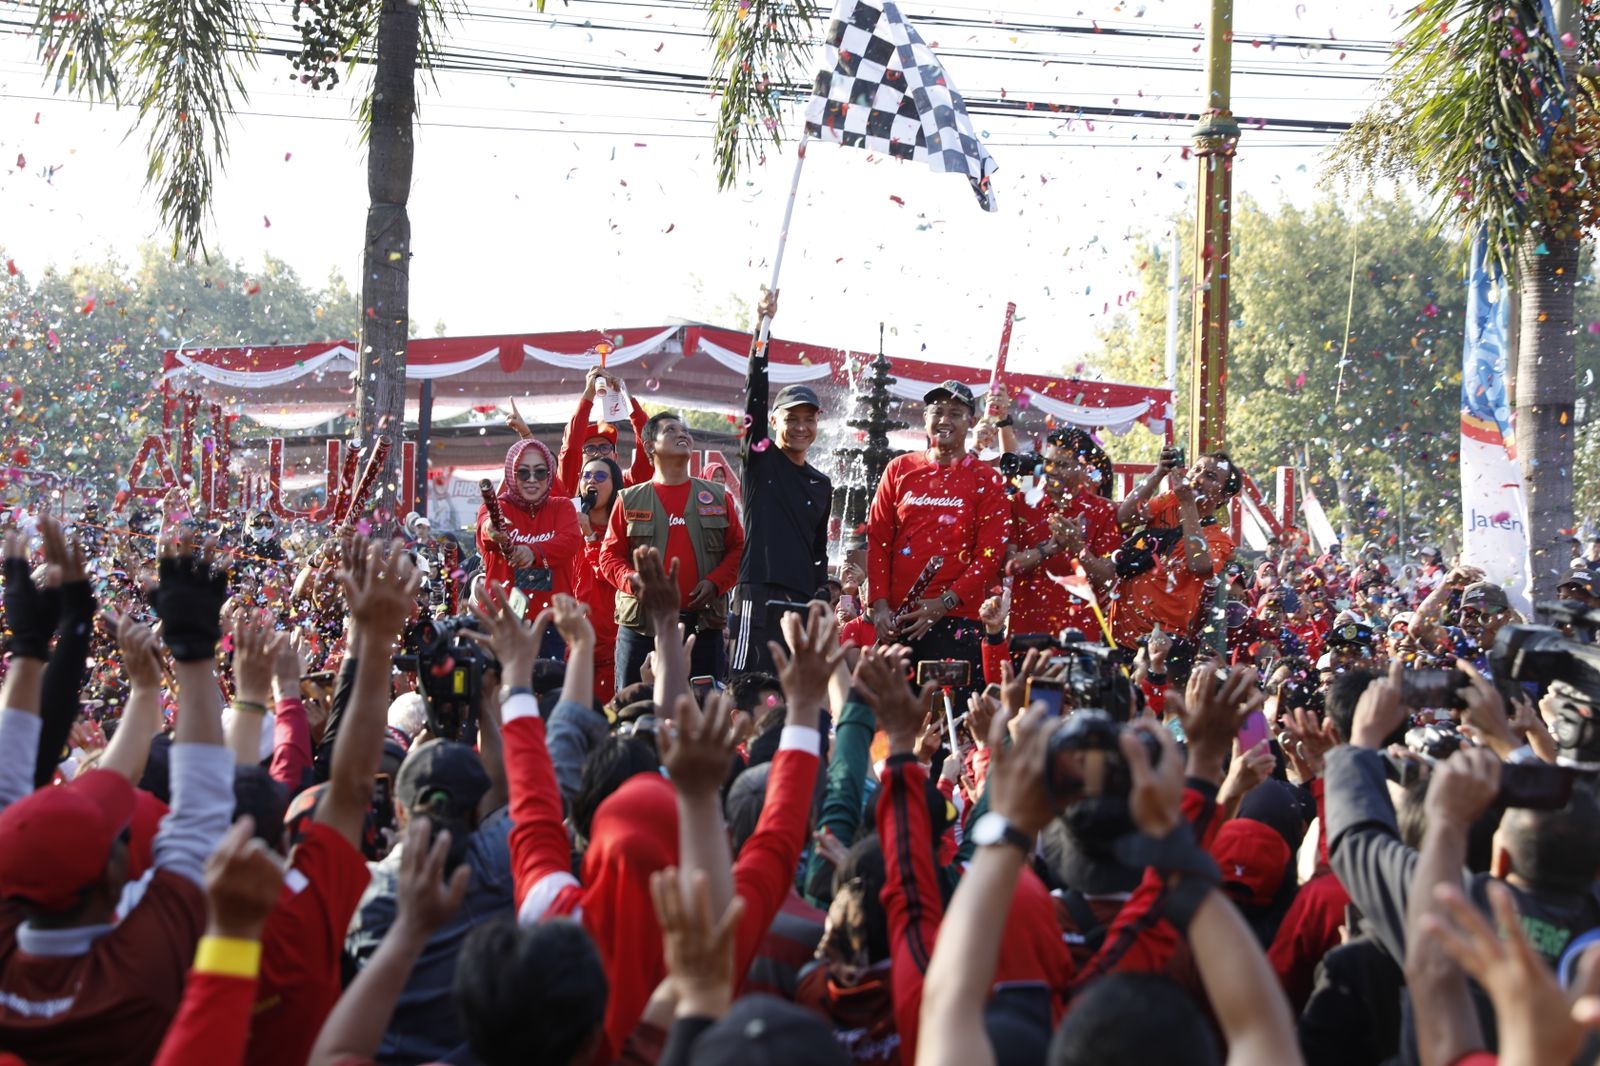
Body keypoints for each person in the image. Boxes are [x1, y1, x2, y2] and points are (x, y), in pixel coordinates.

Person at [0, 523, 236, 1065]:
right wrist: (195, 654)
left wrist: (35, 645)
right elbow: (199, 817)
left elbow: (11, 781)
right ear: (114, 875)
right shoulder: (142, 971)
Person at [866, 380, 1009, 684]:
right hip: (897, 623)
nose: (944, 420)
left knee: (947, 725)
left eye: (955, 413)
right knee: (890, 726)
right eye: (937, 411)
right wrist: (879, 606)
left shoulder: (987, 480)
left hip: (956, 622)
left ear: (970, 421)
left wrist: (944, 602)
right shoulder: (899, 469)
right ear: (925, 418)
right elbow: (878, 540)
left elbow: (990, 555)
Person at [599, 412, 746, 686]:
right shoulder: (629, 500)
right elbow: (609, 556)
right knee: (636, 715)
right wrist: (633, 581)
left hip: (702, 629)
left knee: (702, 717)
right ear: (650, 447)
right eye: (671, 430)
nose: (683, 434)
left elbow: (739, 548)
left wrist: (715, 583)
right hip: (642, 629)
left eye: (685, 431)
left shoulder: (718, 496)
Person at [730, 294, 832, 675]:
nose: (802, 427)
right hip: (758, 592)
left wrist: (824, 592)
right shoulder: (760, 459)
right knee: (747, 687)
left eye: (810, 419)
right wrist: (762, 332)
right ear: (774, 422)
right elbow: (753, 395)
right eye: (792, 418)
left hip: (803, 601)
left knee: (793, 691)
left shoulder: (822, 483)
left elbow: (818, 548)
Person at [1110, 449, 1244, 668]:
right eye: (1196, 469)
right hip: (1118, 637)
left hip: (1160, 648)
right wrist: (1159, 472)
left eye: (1210, 476)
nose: (1198, 478)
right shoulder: (1169, 501)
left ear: (1222, 497)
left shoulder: (1220, 539)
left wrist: (1188, 504)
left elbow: (1199, 565)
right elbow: (1124, 518)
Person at [1003, 427, 1120, 642]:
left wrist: (1078, 548)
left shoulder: (1104, 511)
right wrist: (1049, 548)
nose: (1052, 471)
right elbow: (1008, 566)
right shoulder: (1020, 504)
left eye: (1063, 465)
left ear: (1084, 468)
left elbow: (1109, 580)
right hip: (1026, 639)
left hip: (1081, 643)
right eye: (1049, 462)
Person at [475, 437, 588, 656]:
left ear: (550, 476)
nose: (532, 480)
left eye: (540, 472)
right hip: (500, 621)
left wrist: (532, 552)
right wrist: (493, 529)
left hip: (551, 624)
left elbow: (571, 540)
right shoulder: (499, 507)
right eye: (523, 472)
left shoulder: (562, 506)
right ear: (511, 474)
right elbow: (484, 527)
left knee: (549, 687)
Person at [514, 366, 654, 492]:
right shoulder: (569, 487)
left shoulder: (629, 485)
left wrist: (626, 397)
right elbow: (571, 446)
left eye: (605, 447)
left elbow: (649, 443)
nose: (598, 454)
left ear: (615, 457)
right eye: (590, 449)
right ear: (579, 460)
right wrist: (589, 393)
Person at [574, 454, 627, 704]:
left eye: (600, 476)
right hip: (573, 646)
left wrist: (590, 539)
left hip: (611, 648)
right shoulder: (568, 524)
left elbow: (612, 576)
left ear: (615, 483)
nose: (591, 480)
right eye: (586, 475)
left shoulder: (625, 529)